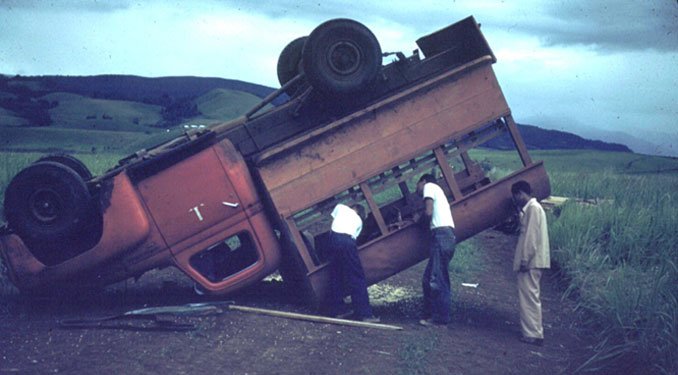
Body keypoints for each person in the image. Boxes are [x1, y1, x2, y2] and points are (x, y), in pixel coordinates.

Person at [511, 180, 550, 346]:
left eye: (515, 196)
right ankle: (533, 332)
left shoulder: (533, 209)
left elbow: (531, 237)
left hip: (531, 261)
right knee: (530, 296)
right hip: (534, 260)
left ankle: (533, 334)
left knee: (529, 297)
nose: (515, 199)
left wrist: (525, 259)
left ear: (521, 193)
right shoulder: (532, 209)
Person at [325, 203, 379, 323]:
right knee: (356, 276)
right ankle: (364, 314)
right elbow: (353, 239)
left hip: (332, 238)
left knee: (335, 274)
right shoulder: (359, 222)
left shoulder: (340, 207)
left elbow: (333, 220)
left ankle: (338, 310)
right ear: (361, 214)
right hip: (346, 241)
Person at [416, 174, 456, 326]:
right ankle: (430, 314)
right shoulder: (438, 191)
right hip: (444, 236)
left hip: (441, 235)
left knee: (437, 279)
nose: (417, 189)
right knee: (430, 278)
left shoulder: (430, 187)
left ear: (423, 181)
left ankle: (440, 318)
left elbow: (428, 212)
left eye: (417, 185)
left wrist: (418, 222)